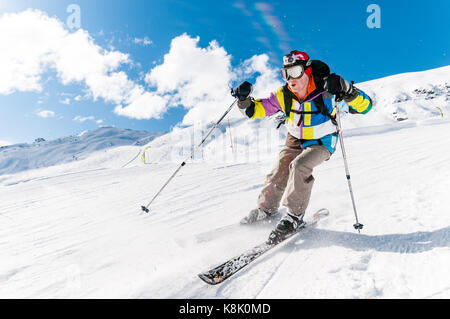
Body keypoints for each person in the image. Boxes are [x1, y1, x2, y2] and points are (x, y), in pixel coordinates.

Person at [232, 50, 372, 244]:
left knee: (300, 166)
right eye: (285, 73)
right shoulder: (284, 94)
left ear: (307, 70)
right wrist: (243, 99)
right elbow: (254, 110)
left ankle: (294, 216)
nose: (290, 78)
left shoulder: (327, 91)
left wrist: (347, 90)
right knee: (280, 167)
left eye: (295, 71)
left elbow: (365, 107)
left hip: (322, 141)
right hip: (295, 139)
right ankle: (266, 210)